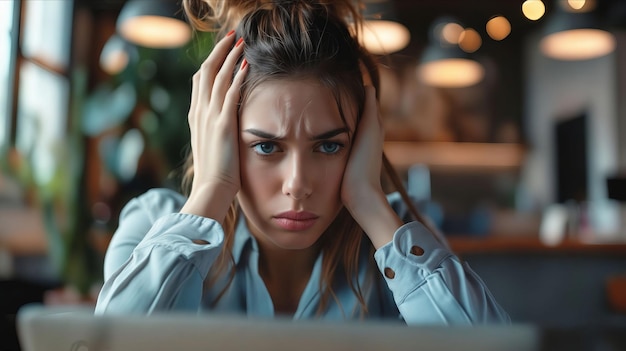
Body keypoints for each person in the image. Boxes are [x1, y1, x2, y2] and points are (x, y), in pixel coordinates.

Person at [95, 0, 510, 324]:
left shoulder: (397, 234)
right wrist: (211, 190)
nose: (297, 183)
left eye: (328, 146)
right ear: (216, 136)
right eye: (266, 147)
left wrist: (368, 201)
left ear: (362, 138)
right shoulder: (152, 226)